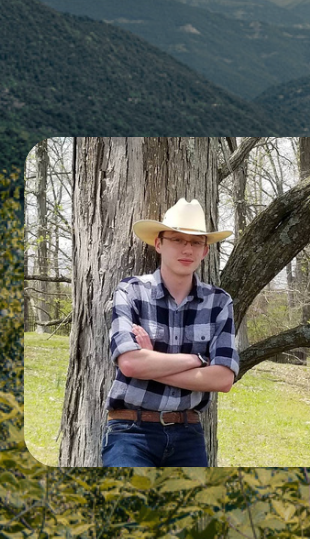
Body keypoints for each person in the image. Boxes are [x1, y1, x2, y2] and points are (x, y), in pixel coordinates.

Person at [100, 197, 239, 467]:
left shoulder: (219, 302)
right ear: (159, 244)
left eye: (196, 242)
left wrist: (152, 363)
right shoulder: (131, 291)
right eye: (177, 239)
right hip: (131, 431)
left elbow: (223, 379)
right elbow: (130, 364)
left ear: (205, 251)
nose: (187, 249)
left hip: (188, 433)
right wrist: (198, 360)